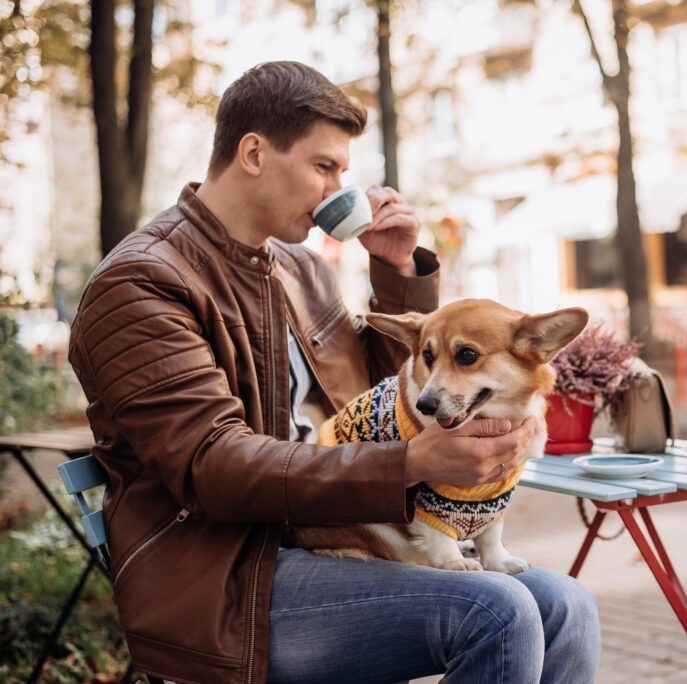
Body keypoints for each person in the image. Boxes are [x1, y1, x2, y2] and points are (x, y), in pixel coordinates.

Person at [68, 61, 600, 684]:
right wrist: (415, 464)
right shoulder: (142, 285)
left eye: (342, 173)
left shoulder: (299, 266)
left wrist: (396, 273)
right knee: (498, 611)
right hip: (232, 576)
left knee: (568, 606)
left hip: (340, 535)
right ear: (254, 153)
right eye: (325, 168)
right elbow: (214, 468)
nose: (336, 193)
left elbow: (376, 396)